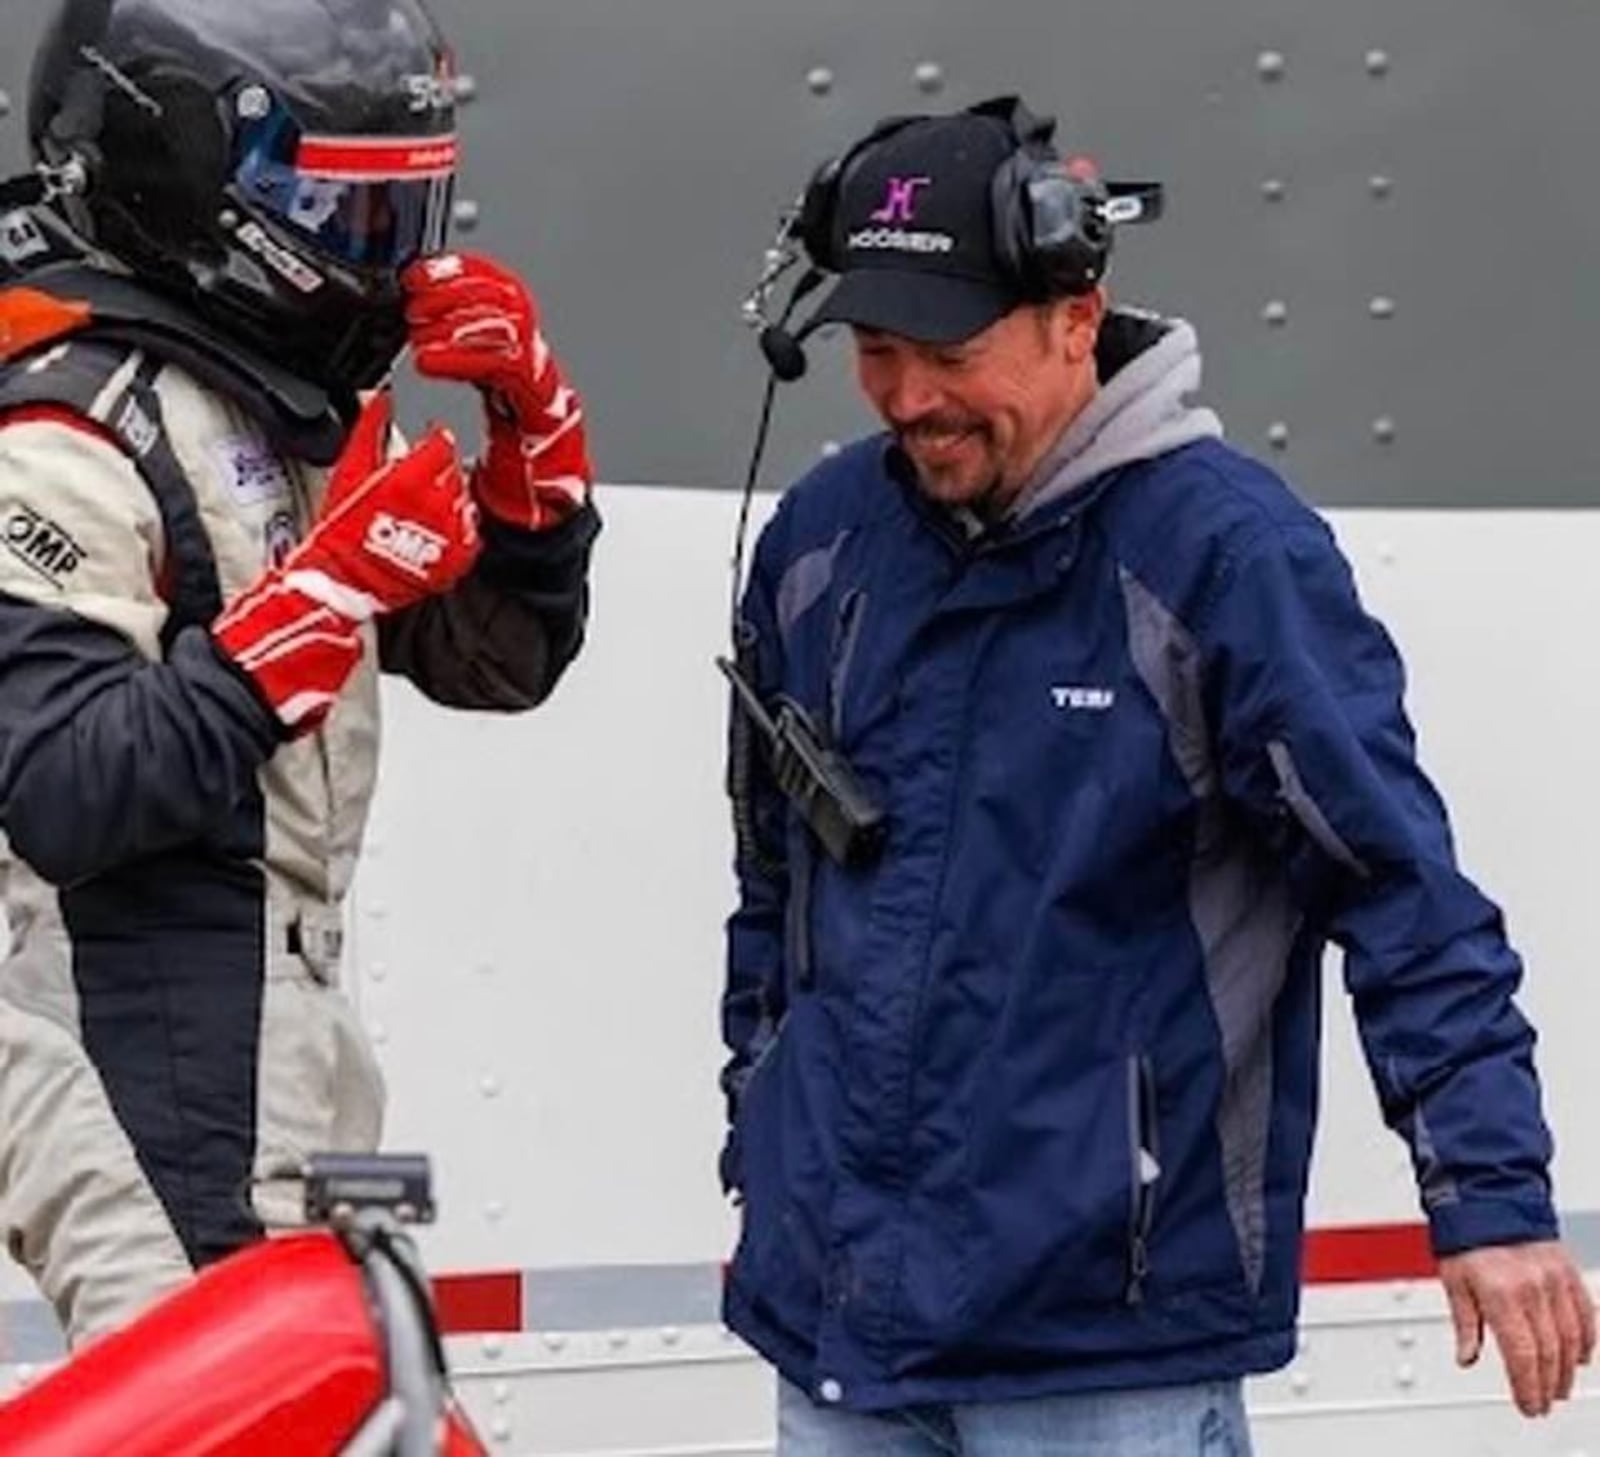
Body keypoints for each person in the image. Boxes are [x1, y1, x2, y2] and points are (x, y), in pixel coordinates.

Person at [718, 95, 1594, 1453]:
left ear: (1077, 314)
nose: (906, 398)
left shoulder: (1229, 562)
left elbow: (1401, 892)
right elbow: (774, 885)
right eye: (875, 352)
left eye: (945, 350)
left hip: (1105, 1352)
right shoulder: (822, 546)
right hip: (838, 1334)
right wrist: (761, 1126)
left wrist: (1491, 1197)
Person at [0, 0, 598, 1347]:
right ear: (184, 175)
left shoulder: (275, 399)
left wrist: (534, 443)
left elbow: (503, 660)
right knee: (242, 1400)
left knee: (337, 1386)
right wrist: (327, 594)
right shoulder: (63, 429)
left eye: (399, 217)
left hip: (289, 1028)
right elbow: (59, 789)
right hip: (133, 1039)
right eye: (339, 217)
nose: (378, 262)